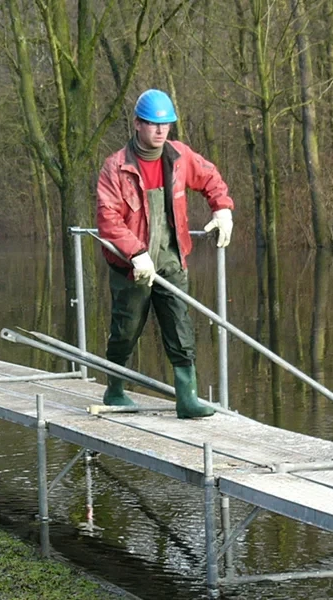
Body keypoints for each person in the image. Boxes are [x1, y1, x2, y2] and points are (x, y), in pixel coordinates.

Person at [95, 89, 234, 419]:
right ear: (137, 124)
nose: (160, 131)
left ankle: (187, 398)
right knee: (126, 328)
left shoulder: (179, 157)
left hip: (171, 258)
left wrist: (222, 208)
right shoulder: (115, 168)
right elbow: (108, 217)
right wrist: (135, 252)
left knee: (179, 325)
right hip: (132, 265)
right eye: (153, 124)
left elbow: (210, 176)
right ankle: (115, 390)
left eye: (166, 125)